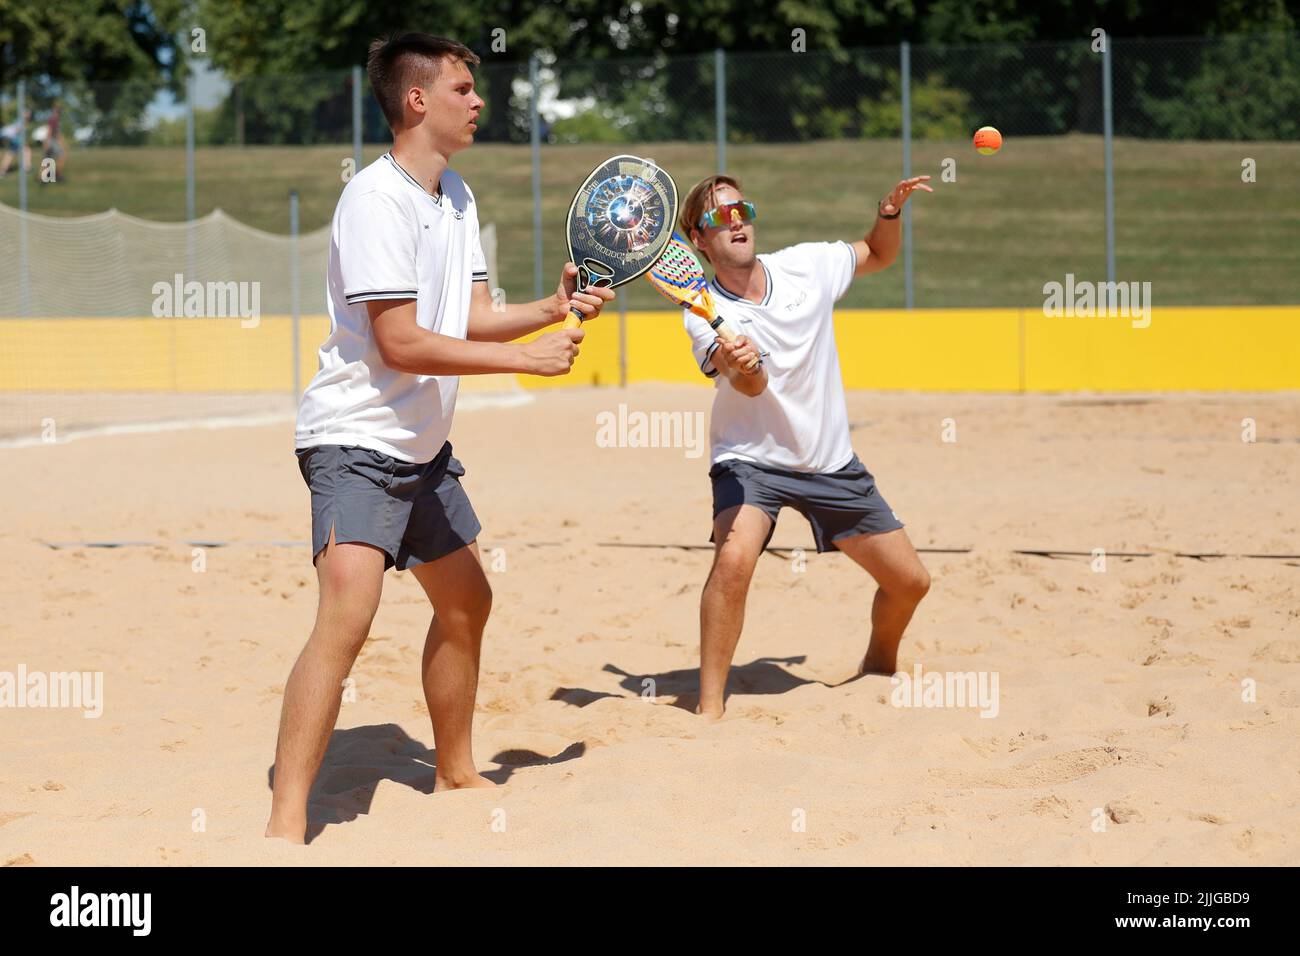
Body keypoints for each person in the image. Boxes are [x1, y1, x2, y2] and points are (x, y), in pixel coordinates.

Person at [266, 33, 613, 843]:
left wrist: (551, 308)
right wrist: (523, 360)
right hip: (354, 440)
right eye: (464, 87)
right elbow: (403, 343)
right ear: (417, 101)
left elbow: (473, 317)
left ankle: (455, 773)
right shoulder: (374, 199)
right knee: (347, 617)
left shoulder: (455, 193)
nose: (478, 99)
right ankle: (285, 826)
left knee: (467, 601)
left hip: (420, 449)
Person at [678, 172, 934, 718]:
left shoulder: (807, 265)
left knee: (910, 582)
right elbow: (749, 386)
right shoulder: (701, 313)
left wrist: (887, 213)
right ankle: (709, 709)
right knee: (734, 558)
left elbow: (876, 255)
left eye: (742, 208)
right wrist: (744, 365)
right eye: (720, 216)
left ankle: (879, 665)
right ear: (699, 241)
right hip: (751, 461)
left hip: (828, 460)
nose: (737, 220)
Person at [0, 109, 32, 178]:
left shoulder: (23, 121)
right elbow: (16, 130)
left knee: (10, 156)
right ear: (24, 114)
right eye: (27, 113)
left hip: (17, 141)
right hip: (18, 141)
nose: (29, 115)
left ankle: (2, 171)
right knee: (26, 152)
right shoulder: (21, 121)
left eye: (29, 114)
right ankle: (27, 169)